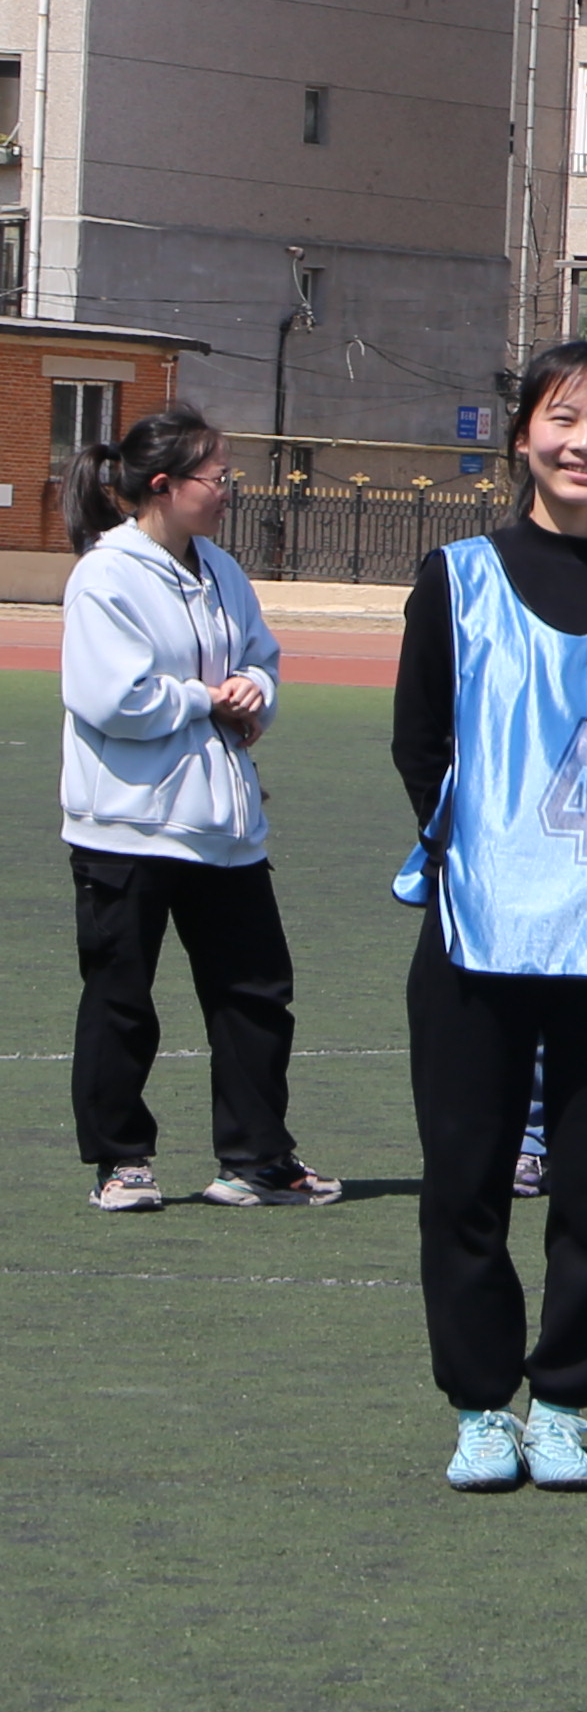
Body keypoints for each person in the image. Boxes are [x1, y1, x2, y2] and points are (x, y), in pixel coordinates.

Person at [396, 342, 587, 1492]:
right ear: (522, 435)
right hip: (478, 932)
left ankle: (563, 1402)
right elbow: (420, 742)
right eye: (563, 419)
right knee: (464, 1179)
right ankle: (481, 1405)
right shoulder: (456, 575)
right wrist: (491, 853)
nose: (585, 444)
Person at [59, 405, 322, 1211]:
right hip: (128, 826)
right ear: (165, 485)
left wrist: (254, 690)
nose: (228, 489)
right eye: (217, 476)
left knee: (254, 994)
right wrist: (207, 697)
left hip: (224, 829)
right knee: (121, 998)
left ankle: (256, 1159)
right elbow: (113, 699)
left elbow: (261, 659)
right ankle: (121, 1161)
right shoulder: (106, 575)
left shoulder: (222, 570)